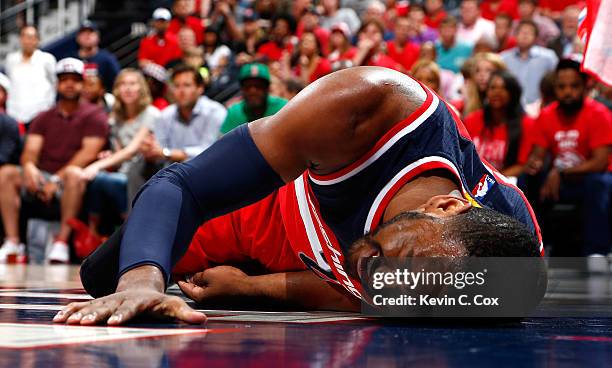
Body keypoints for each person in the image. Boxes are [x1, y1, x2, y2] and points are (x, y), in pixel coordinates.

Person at [54, 66, 542, 326]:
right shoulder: (368, 110)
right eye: (405, 261)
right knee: (105, 278)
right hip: (273, 207)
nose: (390, 280)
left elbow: (363, 294)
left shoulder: (487, 274)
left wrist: (249, 290)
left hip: (317, 254)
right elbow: (180, 183)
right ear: (448, 205)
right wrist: (142, 282)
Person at [0, 58, 108, 263]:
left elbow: (88, 154)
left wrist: (56, 180)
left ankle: (61, 242)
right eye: (64, 79)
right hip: (42, 175)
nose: (69, 84)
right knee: (6, 173)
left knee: (73, 174)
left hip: (72, 179)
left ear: (83, 83)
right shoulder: (44, 117)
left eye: (75, 79)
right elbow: (30, 150)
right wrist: (30, 167)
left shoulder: (94, 115)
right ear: (57, 84)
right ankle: (12, 241)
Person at [526, 59, 612, 259]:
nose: (567, 92)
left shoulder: (599, 114)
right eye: (561, 87)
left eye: (574, 86)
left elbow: (600, 162)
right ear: (554, 88)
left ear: (584, 87)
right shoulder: (547, 115)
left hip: (590, 179)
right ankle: (534, 246)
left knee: (599, 183)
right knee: (527, 180)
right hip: (560, 182)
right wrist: (534, 165)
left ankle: (597, 250)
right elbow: (538, 155)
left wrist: (561, 172)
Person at [73, 69, 160, 240]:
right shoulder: (115, 118)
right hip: (124, 171)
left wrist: (96, 166)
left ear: (141, 88)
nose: (127, 89)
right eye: (122, 84)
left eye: (132, 84)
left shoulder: (151, 113)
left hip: (145, 172)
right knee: (98, 181)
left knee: (102, 178)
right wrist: (109, 157)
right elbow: (121, 154)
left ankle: (130, 231)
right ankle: (93, 235)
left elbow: (131, 150)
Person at [133, 64, 226, 197]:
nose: (181, 91)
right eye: (177, 86)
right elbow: (159, 149)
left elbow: (209, 152)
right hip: (172, 176)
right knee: (138, 167)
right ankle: (136, 215)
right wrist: (149, 150)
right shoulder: (165, 115)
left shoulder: (215, 112)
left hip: (206, 173)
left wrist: (166, 153)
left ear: (200, 88)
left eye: (187, 85)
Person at [463, 71, 534, 177]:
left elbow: (522, 165)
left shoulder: (526, 123)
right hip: (471, 180)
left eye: (504, 88)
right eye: (492, 88)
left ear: (513, 93)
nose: (497, 92)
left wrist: (493, 182)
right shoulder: (471, 120)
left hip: (506, 183)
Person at [5, 25, 56, 128]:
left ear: (38, 40)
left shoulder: (47, 59)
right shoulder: (11, 59)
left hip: (39, 113)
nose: (29, 41)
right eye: (26, 37)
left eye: (32, 37)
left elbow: (55, 83)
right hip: (15, 114)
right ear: (20, 39)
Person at [501, 20, 557, 105]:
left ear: (536, 37)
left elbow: (556, 80)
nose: (525, 36)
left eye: (529, 33)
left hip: (539, 106)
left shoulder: (548, 57)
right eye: (521, 32)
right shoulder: (504, 58)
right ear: (515, 35)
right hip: (511, 106)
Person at [221, 63, 287, 134]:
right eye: (248, 86)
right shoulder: (234, 111)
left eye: (258, 86)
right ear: (242, 89)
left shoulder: (282, 108)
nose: (253, 91)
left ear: (267, 88)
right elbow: (224, 143)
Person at [66, 21, 121, 92]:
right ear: (77, 38)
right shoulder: (70, 59)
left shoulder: (107, 59)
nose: (87, 36)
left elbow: (118, 81)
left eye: (90, 33)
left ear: (98, 37)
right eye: (83, 33)